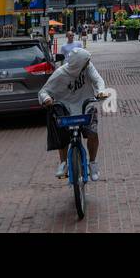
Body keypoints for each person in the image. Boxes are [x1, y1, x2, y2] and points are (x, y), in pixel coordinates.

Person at [39, 46, 111, 181]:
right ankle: (63, 163)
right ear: (79, 65)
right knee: (63, 135)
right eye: (86, 62)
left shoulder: (88, 67)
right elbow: (43, 92)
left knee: (92, 133)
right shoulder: (60, 73)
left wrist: (101, 90)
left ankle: (93, 163)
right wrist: (47, 99)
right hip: (67, 109)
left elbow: (98, 80)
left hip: (86, 106)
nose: (89, 64)